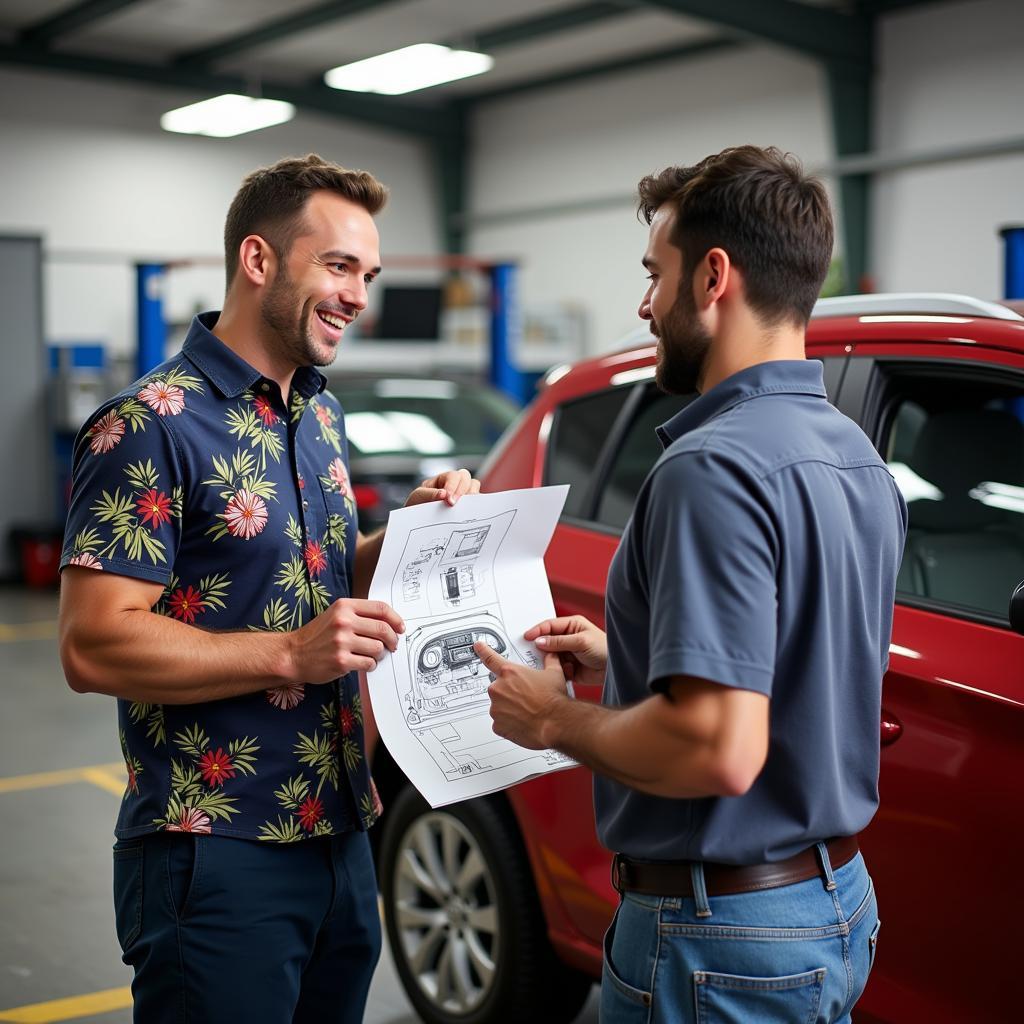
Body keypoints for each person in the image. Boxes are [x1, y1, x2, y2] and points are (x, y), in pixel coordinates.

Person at [478, 145, 907, 1023]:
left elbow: (719, 747)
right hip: (834, 903)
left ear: (714, 277)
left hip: (721, 939)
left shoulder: (711, 468)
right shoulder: (858, 457)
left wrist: (551, 718)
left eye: (654, 274)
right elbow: (800, 659)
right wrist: (628, 653)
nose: (643, 305)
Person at [58, 153, 479, 1023]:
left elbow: (312, 576)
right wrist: (291, 653)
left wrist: (411, 533)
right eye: (336, 266)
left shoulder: (316, 410)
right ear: (258, 261)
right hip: (214, 848)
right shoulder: (150, 424)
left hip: (340, 829)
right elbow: (93, 641)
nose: (358, 295)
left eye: (366, 274)